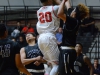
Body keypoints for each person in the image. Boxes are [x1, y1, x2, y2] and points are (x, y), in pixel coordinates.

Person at [57, 0, 89, 75]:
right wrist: (66, 1)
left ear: (74, 13)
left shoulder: (73, 21)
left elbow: (59, 14)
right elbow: (68, 6)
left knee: (65, 73)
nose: (72, 10)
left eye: (74, 10)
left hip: (67, 51)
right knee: (63, 72)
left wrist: (63, 1)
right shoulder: (74, 18)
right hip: (66, 51)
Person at [36, 0, 61, 75]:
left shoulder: (39, 11)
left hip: (40, 38)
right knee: (57, 64)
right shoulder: (55, 8)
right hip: (49, 36)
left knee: (49, 63)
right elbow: (65, 7)